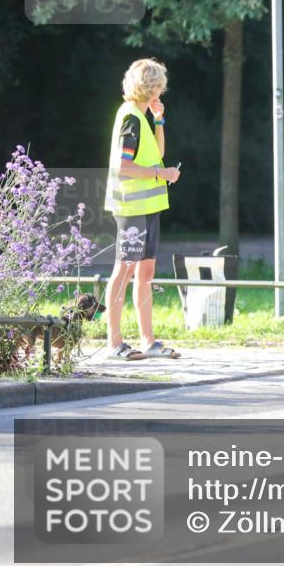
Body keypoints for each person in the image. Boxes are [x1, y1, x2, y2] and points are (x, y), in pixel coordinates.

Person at [102, 58, 182, 360]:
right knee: (124, 270)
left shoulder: (140, 116)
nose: (160, 93)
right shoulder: (130, 118)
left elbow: (157, 155)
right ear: (148, 87)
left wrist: (159, 120)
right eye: (158, 88)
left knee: (145, 271)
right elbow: (124, 166)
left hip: (147, 207)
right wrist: (163, 175)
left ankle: (149, 342)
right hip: (132, 207)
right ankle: (114, 343)